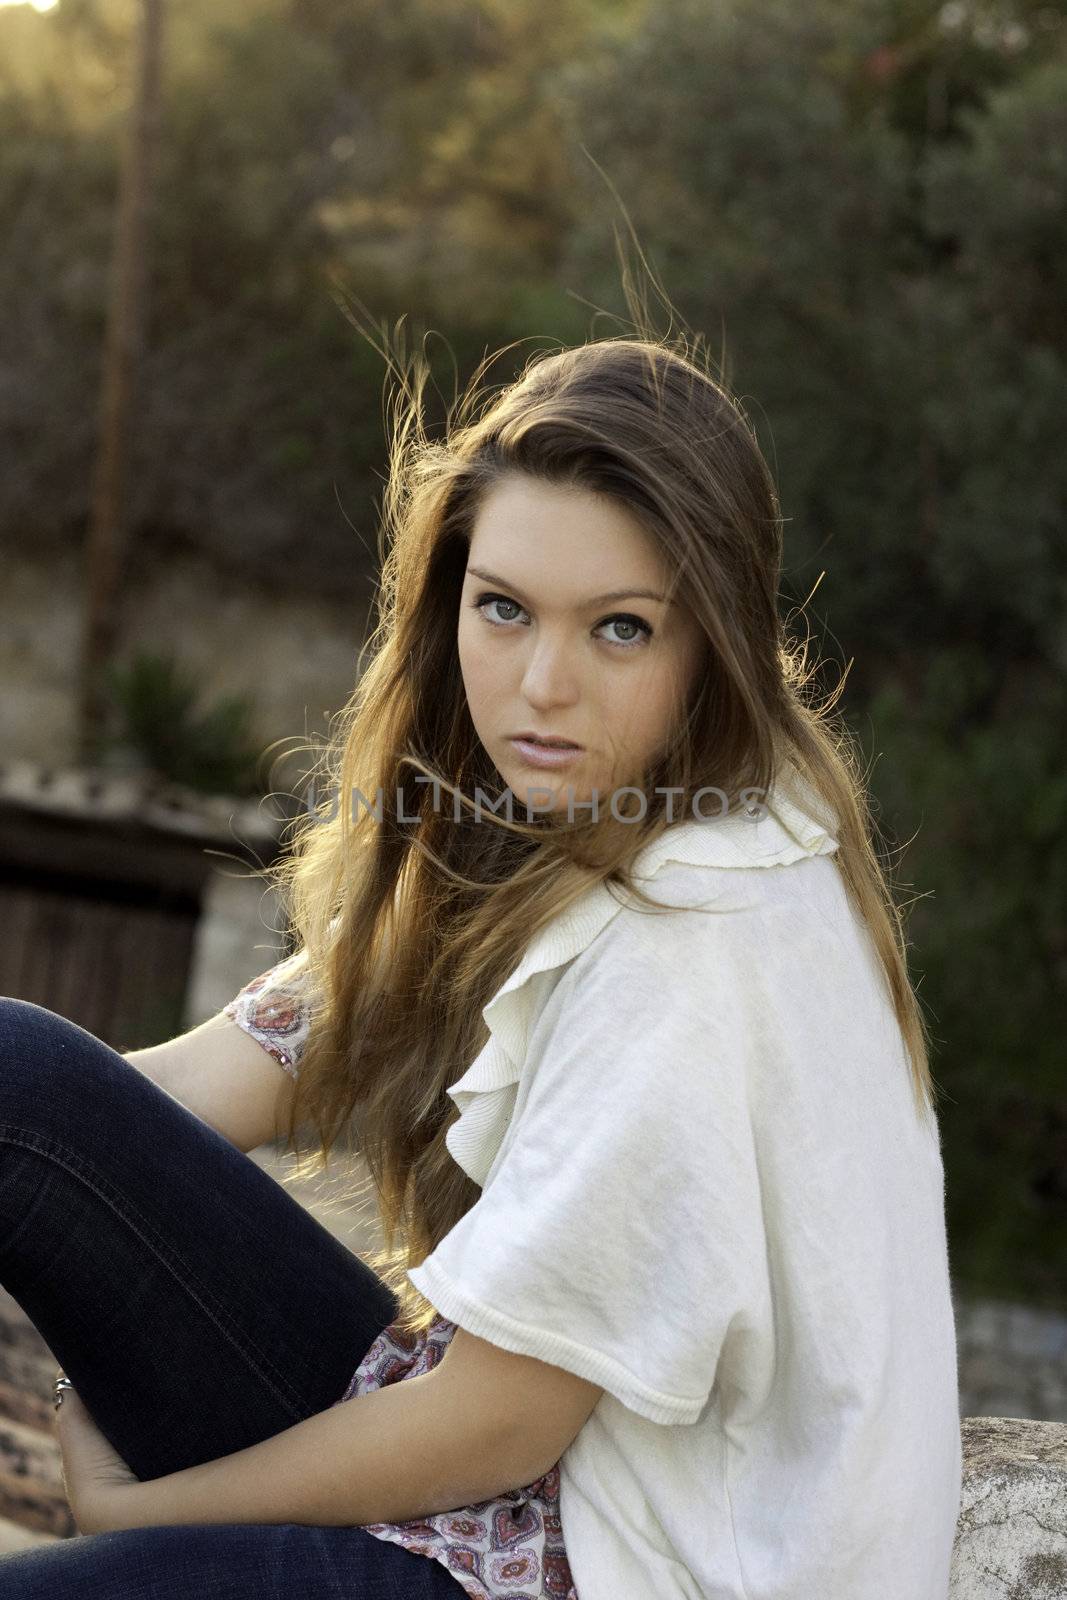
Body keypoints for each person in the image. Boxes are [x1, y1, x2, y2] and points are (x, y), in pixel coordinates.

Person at [0, 332, 963, 1599]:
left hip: (594, 1566)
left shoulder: (691, 948)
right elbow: (223, 1076)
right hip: (494, 1492)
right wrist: (80, 1246)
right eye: (501, 607)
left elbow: (492, 1426)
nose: (540, 688)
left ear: (709, 639)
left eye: (619, 628)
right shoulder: (602, 800)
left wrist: (141, 1516)